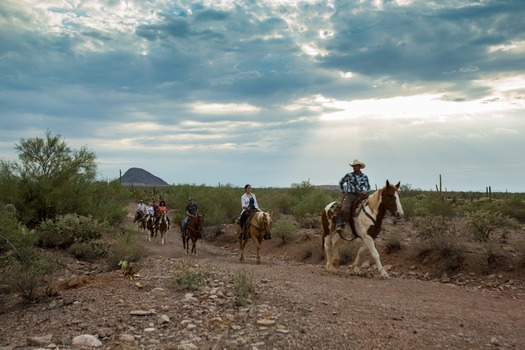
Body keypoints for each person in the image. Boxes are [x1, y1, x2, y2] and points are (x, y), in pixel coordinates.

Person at [336, 159, 370, 233]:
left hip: (360, 195)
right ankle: (340, 223)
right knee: (345, 207)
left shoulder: (364, 176)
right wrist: (343, 191)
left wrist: (365, 190)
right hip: (350, 194)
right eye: (353, 166)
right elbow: (341, 182)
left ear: (359, 167)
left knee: (369, 207)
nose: (354, 167)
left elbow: (368, 186)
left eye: (356, 166)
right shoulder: (349, 175)